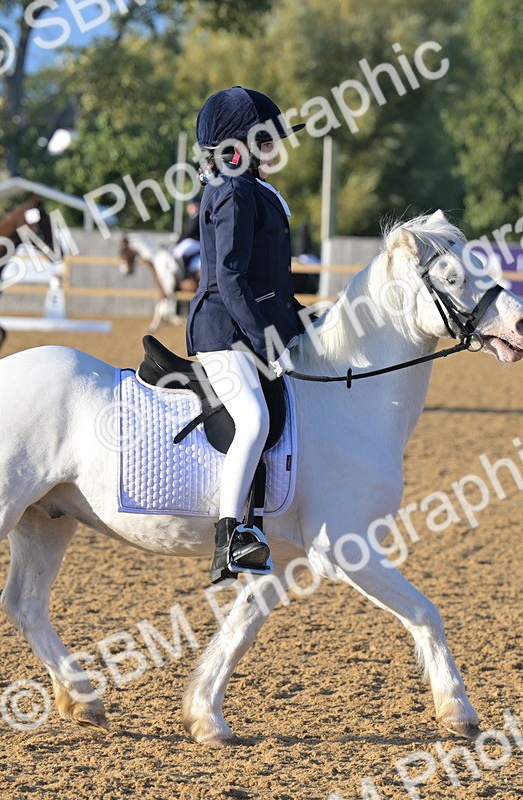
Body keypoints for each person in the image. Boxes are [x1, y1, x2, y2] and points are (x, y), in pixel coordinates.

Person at [186, 86, 305, 586]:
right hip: (222, 329)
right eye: (267, 137)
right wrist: (265, 343)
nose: (276, 145)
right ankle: (231, 536)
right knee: (253, 419)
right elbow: (231, 280)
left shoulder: (251, 186)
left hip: (244, 323)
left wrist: (301, 319)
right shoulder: (234, 191)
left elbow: (267, 279)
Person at [173, 199, 202, 277]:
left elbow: (189, 232)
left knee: (178, 251)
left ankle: (183, 274)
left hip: (196, 241)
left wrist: (179, 240)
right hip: (193, 241)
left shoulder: (197, 216)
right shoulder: (193, 216)